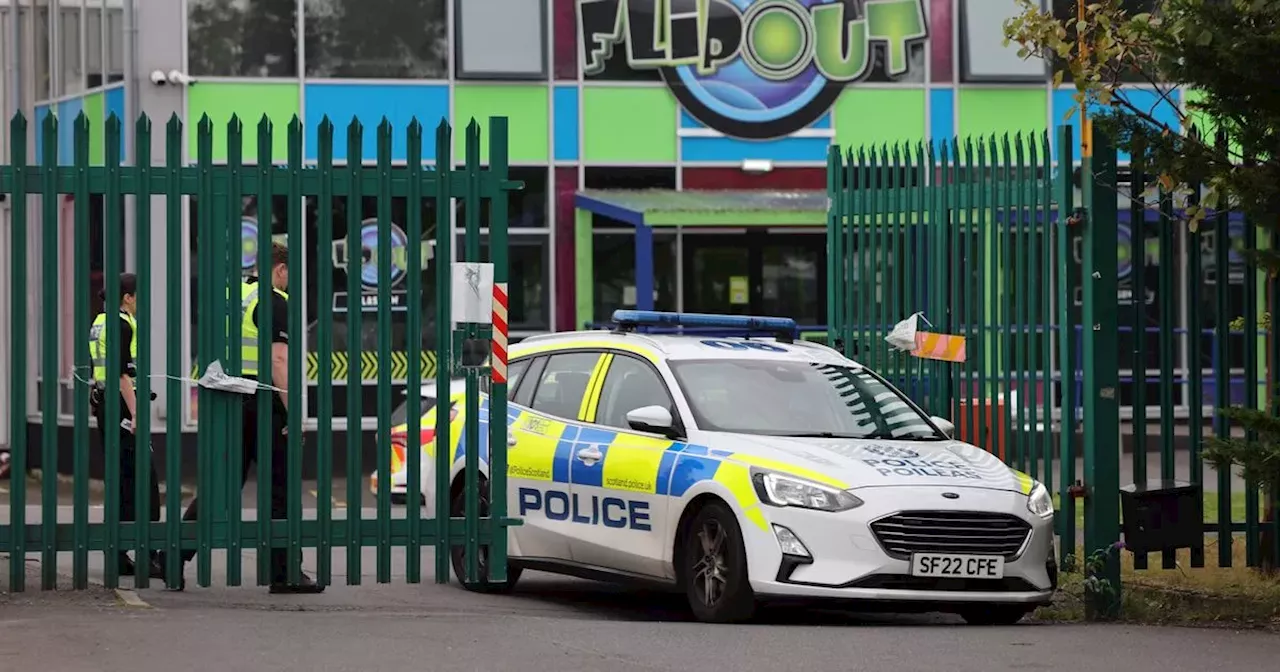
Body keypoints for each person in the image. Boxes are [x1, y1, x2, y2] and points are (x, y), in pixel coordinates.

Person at [159, 242, 323, 593]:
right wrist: (293, 414)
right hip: (262, 400)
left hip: (229, 400)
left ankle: (173, 556)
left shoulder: (235, 294)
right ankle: (284, 573)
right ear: (280, 269)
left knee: (221, 487)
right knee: (281, 487)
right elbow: (279, 361)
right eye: (289, 275)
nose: (289, 282)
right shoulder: (274, 300)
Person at [88, 272, 164, 579]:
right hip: (120, 407)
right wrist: (136, 414)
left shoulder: (100, 322)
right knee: (145, 480)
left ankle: (119, 554)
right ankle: (148, 552)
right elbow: (121, 375)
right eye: (138, 296)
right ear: (128, 298)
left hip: (106, 404)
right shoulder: (120, 323)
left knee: (121, 480)